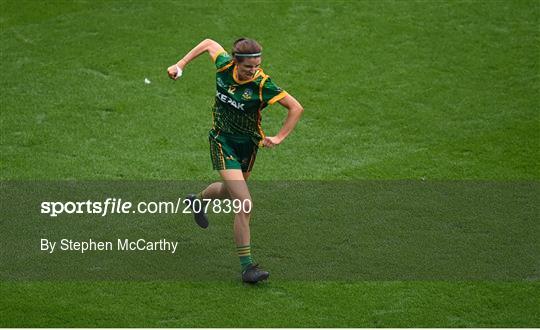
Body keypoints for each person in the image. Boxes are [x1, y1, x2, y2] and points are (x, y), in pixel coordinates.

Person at [167, 38, 303, 283]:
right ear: (236, 62)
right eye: (249, 66)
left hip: (248, 146)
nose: (254, 70)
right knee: (244, 202)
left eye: (257, 65)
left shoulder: (263, 84)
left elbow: (296, 108)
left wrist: (280, 137)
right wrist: (181, 64)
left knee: (231, 192)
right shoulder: (224, 66)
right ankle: (247, 267)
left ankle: (196, 201)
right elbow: (209, 43)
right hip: (222, 141)